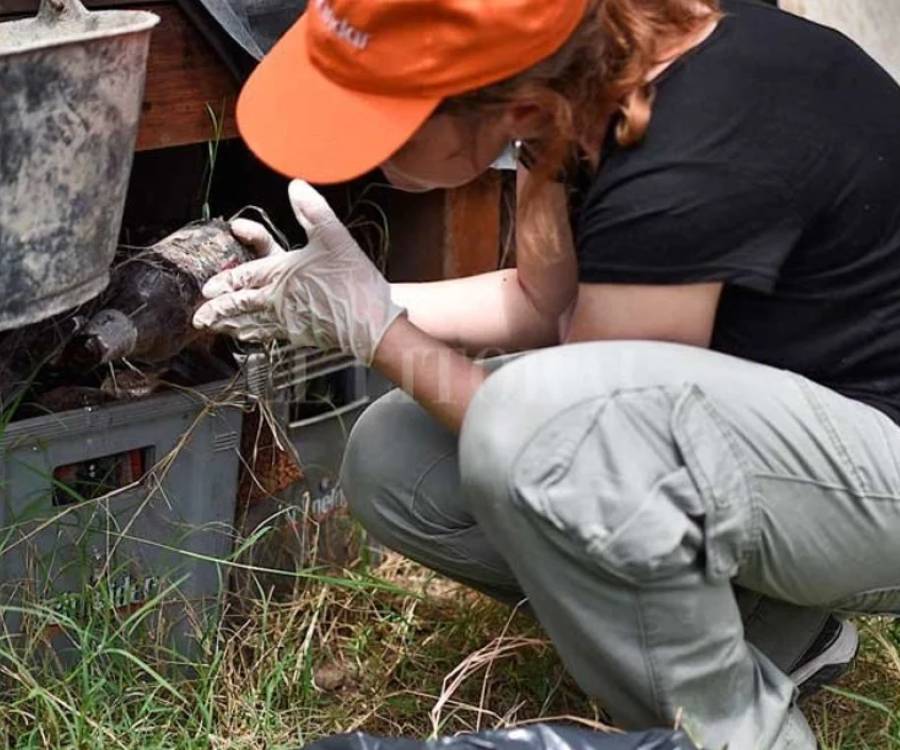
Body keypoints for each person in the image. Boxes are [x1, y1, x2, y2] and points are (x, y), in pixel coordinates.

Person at [192, 0, 900, 747]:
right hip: (806, 439)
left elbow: (576, 436)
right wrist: (350, 297)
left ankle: (736, 732)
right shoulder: (583, 80)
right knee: (396, 458)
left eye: (386, 122)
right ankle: (775, 637)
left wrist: (376, 332)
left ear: (517, 102)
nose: (363, 151)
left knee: (535, 427)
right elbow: (538, 300)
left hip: (883, 473)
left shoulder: (691, 152)